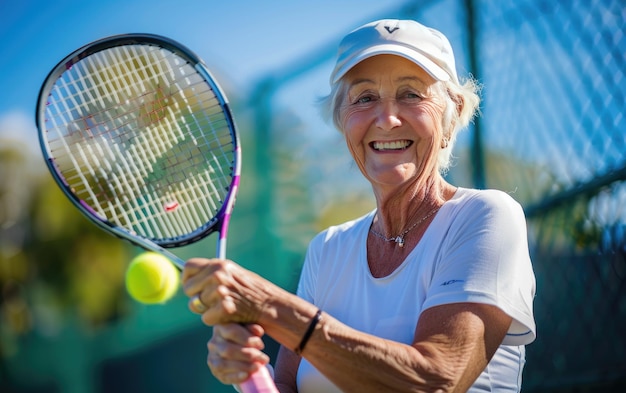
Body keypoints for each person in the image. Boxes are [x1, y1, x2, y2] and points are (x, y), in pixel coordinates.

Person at [182, 19, 536, 392]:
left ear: (452, 116)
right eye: (365, 98)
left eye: (411, 94)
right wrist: (247, 374)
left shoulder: (487, 216)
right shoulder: (327, 248)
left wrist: (273, 308)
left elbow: (436, 382)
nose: (387, 119)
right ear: (342, 123)